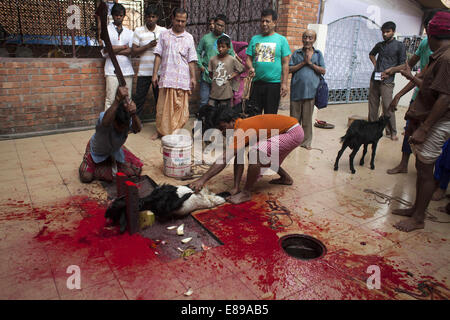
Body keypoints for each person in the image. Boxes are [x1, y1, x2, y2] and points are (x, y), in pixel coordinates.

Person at [391, 11, 450, 232]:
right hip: (431, 118)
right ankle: (416, 209)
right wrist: (409, 76)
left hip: (438, 121)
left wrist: (425, 128)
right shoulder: (440, 55)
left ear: (433, 34)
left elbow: (445, 98)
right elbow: (427, 85)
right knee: (421, 165)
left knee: (426, 170)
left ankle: (418, 219)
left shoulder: (446, 58)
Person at [189, 108, 304, 204]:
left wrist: (202, 180)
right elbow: (238, 158)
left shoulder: (242, 128)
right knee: (262, 154)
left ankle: (246, 193)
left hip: (292, 132)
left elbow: (224, 158)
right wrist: (235, 187)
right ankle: (286, 178)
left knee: (255, 154)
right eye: (219, 129)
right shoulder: (238, 128)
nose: (222, 132)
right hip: (289, 130)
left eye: (223, 127)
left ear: (232, 121)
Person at [383, 10, 440, 174]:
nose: (428, 34)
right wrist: (396, 69)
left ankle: (430, 174)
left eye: (431, 29)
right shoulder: (424, 44)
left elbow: (420, 77)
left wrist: (399, 93)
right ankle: (403, 164)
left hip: (434, 102)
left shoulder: (442, 52)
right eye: (426, 29)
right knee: (410, 130)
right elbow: (411, 65)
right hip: (418, 96)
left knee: (429, 137)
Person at [79, 86, 143, 183]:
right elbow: (104, 121)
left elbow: (137, 129)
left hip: (115, 150)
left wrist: (134, 113)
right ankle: (98, 164)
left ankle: (117, 155)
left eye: (124, 127)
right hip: (97, 152)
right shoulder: (106, 120)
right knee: (86, 177)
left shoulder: (127, 120)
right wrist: (117, 99)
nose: (122, 130)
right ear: (114, 122)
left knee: (136, 170)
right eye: (119, 126)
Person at [151, 8, 197, 139]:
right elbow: (158, 55)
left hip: (182, 79)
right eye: (178, 20)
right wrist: (154, 74)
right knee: (162, 109)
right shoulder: (164, 35)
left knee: (180, 109)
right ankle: (160, 131)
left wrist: (193, 77)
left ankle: (175, 132)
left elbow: (191, 60)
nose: (180, 24)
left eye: (183, 21)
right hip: (166, 78)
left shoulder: (189, 38)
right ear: (172, 19)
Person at [246, 9, 291, 115]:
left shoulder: (281, 40)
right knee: (254, 115)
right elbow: (248, 59)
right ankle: (255, 132)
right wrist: (251, 67)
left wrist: (284, 83)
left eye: (267, 21)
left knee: (270, 117)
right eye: (262, 21)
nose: (264, 24)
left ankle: (268, 133)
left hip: (273, 85)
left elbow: (285, 63)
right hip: (256, 84)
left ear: (274, 23)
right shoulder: (255, 39)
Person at [368, 21, 406, 141]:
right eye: (383, 32)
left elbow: (403, 65)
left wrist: (390, 71)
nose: (384, 34)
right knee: (373, 105)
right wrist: (376, 65)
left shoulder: (399, 46)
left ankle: (392, 132)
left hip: (388, 81)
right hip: (375, 79)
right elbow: (371, 55)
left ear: (393, 32)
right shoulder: (380, 45)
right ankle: (372, 129)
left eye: (387, 32)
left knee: (387, 106)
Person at [289, 29, 326, 150]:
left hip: (311, 92)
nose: (307, 40)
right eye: (305, 37)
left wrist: (310, 63)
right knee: (294, 119)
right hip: (296, 91)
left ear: (314, 40)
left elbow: (323, 71)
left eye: (310, 38)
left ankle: (306, 142)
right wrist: (303, 63)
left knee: (307, 119)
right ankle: (292, 141)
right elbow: (289, 69)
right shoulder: (297, 53)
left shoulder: (318, 54)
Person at [131, 5, 167, 119]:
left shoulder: (163, 31)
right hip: (144, 72)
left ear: (157, 18)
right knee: (139, 99)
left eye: (153, 17)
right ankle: (135, 125)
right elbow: (133, 51)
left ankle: (160, 125)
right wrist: (148, 46)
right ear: (145, 17)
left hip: (160, 73)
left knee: (159, 100)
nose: (151, 19)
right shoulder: (138, 31)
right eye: (148, 16)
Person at [101, 3, 134, 110]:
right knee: (110, 99)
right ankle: (107, 125)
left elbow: (131, 51)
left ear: (124, 16)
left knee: (128, 99)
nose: (118, 17)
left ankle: (127, 124)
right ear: (112, 15)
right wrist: (124, 46)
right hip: (111, 70)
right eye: (116, 15)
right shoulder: (107, 30)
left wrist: (114, 50)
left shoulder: (129, 33)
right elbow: (107, 49)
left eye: (120, 15)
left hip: (127, 70)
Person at [197, 14, 235, 107]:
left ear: (225, 27)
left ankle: (215, 121)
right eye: (218, 24)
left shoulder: (226, 40)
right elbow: (197, 52)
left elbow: (231, 56)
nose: (219, 27)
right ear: (214, 24)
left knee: (219, 103)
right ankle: (201, 121)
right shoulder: (206, 38)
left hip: (221, 76)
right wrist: (201, 66)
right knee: (204, 100)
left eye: (222, 26)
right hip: (206, 74)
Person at [208, 36, 244, 108]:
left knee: (224, 111)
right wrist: (216, 79)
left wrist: (232, 76)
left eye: (223, 47)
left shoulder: (232, 59)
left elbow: (241, 69)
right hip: (214, 92)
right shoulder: (212, 59)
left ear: (228, 48)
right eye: (219, 47)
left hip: (226, 92)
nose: (220, 49)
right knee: (211, 109)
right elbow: (210, 73)